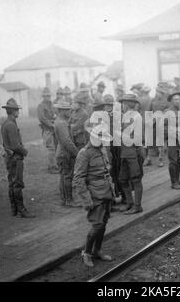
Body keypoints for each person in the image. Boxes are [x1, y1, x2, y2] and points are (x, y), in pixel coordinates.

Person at [73, 122, 114, 267]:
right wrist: (86, 200)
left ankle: (97, 250)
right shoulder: (84, 153)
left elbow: (107, 169)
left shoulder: (102, 150)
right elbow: (78, 179)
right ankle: (86, 253)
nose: (103, 142)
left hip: (106, 192)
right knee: (97, 225)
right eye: (101, 139)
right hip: (94, 195)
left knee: (103, 224)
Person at [1, 98, 35, 218]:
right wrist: (24, 151)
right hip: (15, 158)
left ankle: (14, 209)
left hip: (10, 158)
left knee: (12, 183)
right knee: (17, 184)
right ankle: (21, 210)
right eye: (16, 110)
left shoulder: (6, 123)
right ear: (12, 111)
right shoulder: (10, 125)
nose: (18, 112)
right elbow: (15, 145)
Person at [118, 94, 145, 214]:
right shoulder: (125, 116)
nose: (122, 106)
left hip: (134, 152)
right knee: (123, 179)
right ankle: (129, 203)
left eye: (123, 103)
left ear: (128, 104)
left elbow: (137, 138)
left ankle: (137, 206)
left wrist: (119, 135)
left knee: (136, 179)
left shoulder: (137, 116)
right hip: (125, 152)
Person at [54, 101, 79, 207]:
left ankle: (64, 199)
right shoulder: (62, 123)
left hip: (61, 153)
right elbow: (66, 141)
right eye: (68, 110)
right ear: (62, 111)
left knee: (63, 176)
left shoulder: (60, 121)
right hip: (65, 154)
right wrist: (77, 153)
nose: (70, 111)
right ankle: (69, 200)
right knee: (67, 176)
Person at [166, 90, 180, 190]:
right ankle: (173, 182)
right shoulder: (167, 112)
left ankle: (178, 179)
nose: (177, 101)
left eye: (179, 99)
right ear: (171, 101)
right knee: (173, 161)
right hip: (172, 140)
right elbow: (162, 127)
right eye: (175, 99)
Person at [37, 87, 58, 173]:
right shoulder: (41, 106)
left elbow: (55, 114)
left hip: (53, 129)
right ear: (43, 96)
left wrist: (55, 120)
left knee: (56, 148)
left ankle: (55, 165)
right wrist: (51, 124)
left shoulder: (51, 105)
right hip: (47, 130)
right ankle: (51, 167)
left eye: (49, 96)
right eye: (46, 96)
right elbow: (42, 118)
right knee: (51, 148)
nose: (48, 97)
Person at [150, 83, 170, 167]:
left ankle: (164, 158)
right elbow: (151, 111)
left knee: (165, 142)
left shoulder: (167, 101)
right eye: (156, 92)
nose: (157, 93)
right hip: (155, 123)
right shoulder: (153, 101)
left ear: (162, 93)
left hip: (165, 124)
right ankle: (161, 159)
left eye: (158, 92)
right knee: (160, 143)